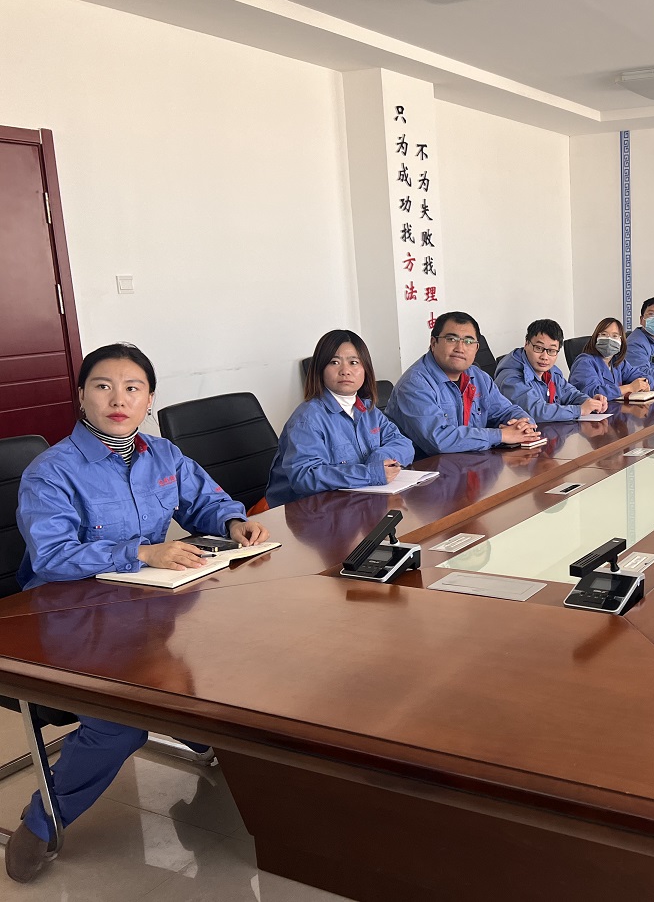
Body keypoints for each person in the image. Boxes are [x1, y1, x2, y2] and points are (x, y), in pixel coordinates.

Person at [9, 342, 270, 883]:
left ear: (149, 399)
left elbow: (206, 501)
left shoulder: (162, 454)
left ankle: (200, 729)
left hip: (144, 605)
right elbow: (52, 557)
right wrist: (142, 553)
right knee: (120, 721)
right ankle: (42, 822)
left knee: (240, 659)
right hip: (66, 615)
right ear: (81, 396)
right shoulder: (51, 471)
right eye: (103, 387)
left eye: (133, 388)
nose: (118, 399)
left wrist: (232, 522)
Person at [265, 330, 415, 507]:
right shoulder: (308, 419)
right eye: (334, 362)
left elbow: (403, 444)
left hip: (356, 503)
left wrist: (379, 459)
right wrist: (369, 473)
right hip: (311, 511)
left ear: (365, 369)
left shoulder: (368, 410)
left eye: (354, 362)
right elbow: (305, 477)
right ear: (320, 369)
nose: (345, 371)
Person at [385, 311, 539, 457]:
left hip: (469, 462)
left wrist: (523, 425)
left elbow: (506, 411)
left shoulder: (478, 377)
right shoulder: (414, 384)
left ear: (476, 348)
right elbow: (439, 440)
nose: (460, 348)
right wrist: (501, 435)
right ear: (433, 343)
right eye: (451, 339)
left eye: (468, 341)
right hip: (424, 469)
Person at [493, 319, 608, 422]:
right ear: (526, 344)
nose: (544, 357)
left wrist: (590, 401)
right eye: (538, 348)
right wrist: (579, 410)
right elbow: (535, 411)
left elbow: (569, 393)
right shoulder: (510, 377)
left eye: (552, 350)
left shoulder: (551, 371)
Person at [567, 317, 651, 401]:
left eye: (615, 336)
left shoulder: (617, 362)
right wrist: (629, 388)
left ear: (621, 341)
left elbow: (641, 376)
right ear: (596, 337)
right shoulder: (584, 362)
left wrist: (645, 383)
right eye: (604, 334)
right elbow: (593, 393)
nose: (609, 339)